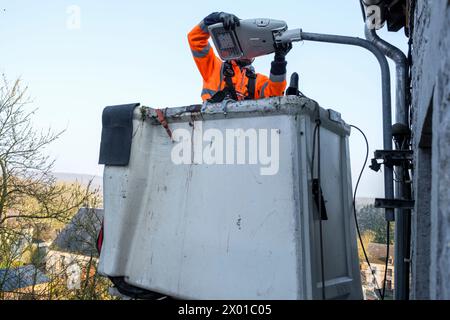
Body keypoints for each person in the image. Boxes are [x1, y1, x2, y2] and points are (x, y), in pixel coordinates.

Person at [188, 12, 292, 102]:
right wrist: (216, 17)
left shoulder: (259, 81)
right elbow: (195, 39)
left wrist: (279, 60)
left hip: (245, 124)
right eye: (243, 41)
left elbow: (275, 95)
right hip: (212, 122)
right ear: (235, 42)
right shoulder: (214, 69)